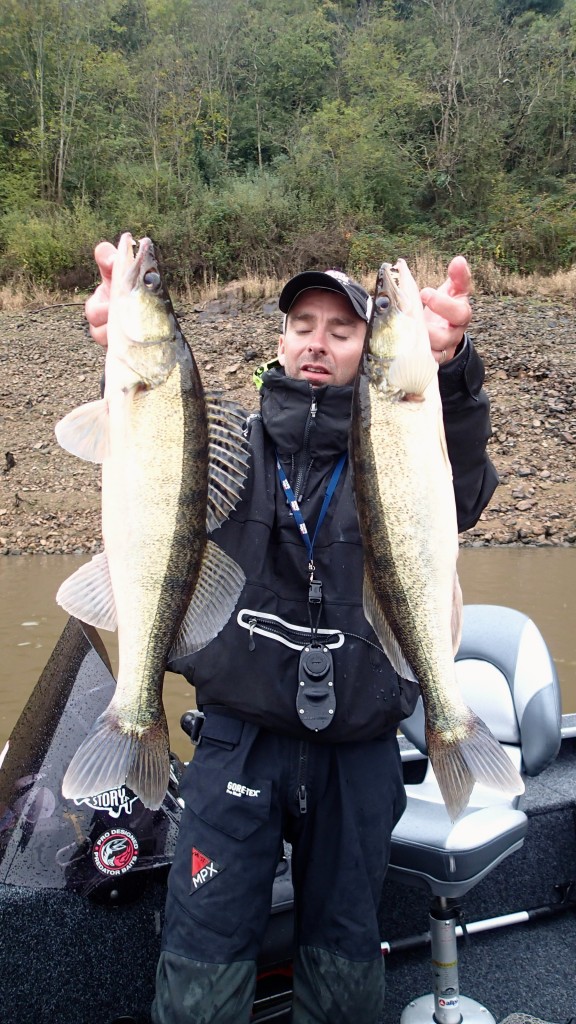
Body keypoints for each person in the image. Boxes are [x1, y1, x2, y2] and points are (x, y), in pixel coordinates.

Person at [85, 247, 498, 1024]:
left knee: (344, 966)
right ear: (279, 341)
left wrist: (453, 371)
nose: (317, 341)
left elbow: (464, 487)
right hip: (236, 744)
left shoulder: (400, 436)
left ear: (369, 349)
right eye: (301, 325)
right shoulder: (234, 446)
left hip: (360, 753)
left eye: (343, 330)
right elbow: (147, 467)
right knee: (200, 970)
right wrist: (112, 354)